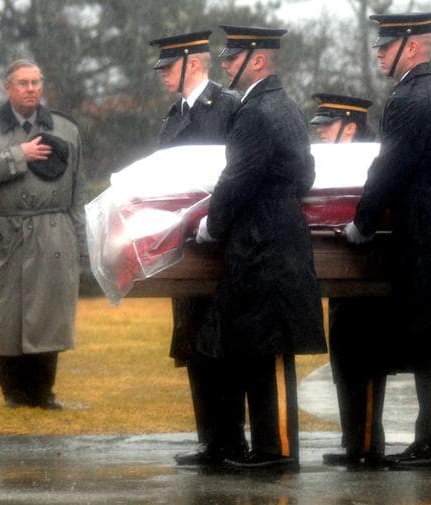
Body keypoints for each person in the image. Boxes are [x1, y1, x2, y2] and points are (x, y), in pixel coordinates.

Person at [344, 13, 431, 469]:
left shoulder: (407, 99)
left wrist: (362, 223)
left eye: (385, 46)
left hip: (429, 220)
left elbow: (388, 169)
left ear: (409, 47)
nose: (378, 53)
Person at [195, 25, 326, 470]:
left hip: (261, 240)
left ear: (256, 60)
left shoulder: (255, 113)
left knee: (268, 345)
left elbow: (237, 178)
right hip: (279, 232)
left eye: (232, 57)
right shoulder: (286, 107)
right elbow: (305, 174)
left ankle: (277, 450)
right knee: (262, 342)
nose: (225, 64)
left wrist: (212, 225)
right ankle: (269, 446)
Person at [149, 30, 246, 466]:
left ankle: (231, 439)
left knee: (222, 342)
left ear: (192, 63)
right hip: (186, 245)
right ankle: (211, 439)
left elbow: (237, 173)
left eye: (169, 66)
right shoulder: (175, 114)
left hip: (219, 242)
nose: (163, 75)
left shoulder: (227, 107)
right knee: (192, 341)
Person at [0, 59, 86, 409]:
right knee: (5, 313)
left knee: (49, 313)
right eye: (23, 83)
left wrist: (81, 243)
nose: (32, 89)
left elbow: (77, 191)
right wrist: (20, 155)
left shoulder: (66, 129)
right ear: (8, 87)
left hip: (53, 232)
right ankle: (12, 392)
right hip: (5, 231)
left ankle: (42, 391)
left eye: (36, 82)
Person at [309, 93, 387, 468]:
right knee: (344, 354)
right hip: (344, 273)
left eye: (328, 125)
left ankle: (366, 444)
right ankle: (354, 440)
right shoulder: (333, 161)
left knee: (362, 354)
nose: (321, 132)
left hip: (365, 272)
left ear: (351, 128)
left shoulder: (369, 160)